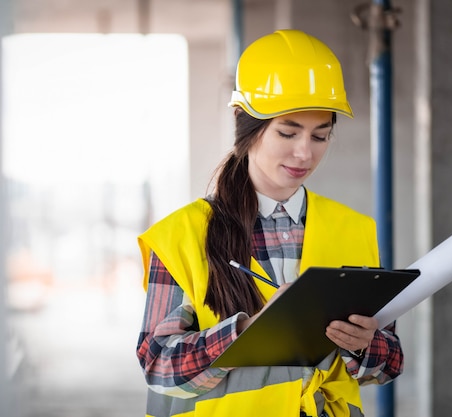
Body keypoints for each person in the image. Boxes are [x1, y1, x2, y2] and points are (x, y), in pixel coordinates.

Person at [136, 29, 403, 417]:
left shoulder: (353, 229)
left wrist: (363, 346)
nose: (304, 153)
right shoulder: (183, 234)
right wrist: (249, 331)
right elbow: (158, 367)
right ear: (243, 122)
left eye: (320, 136)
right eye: (287, 132)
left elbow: (389, 364)